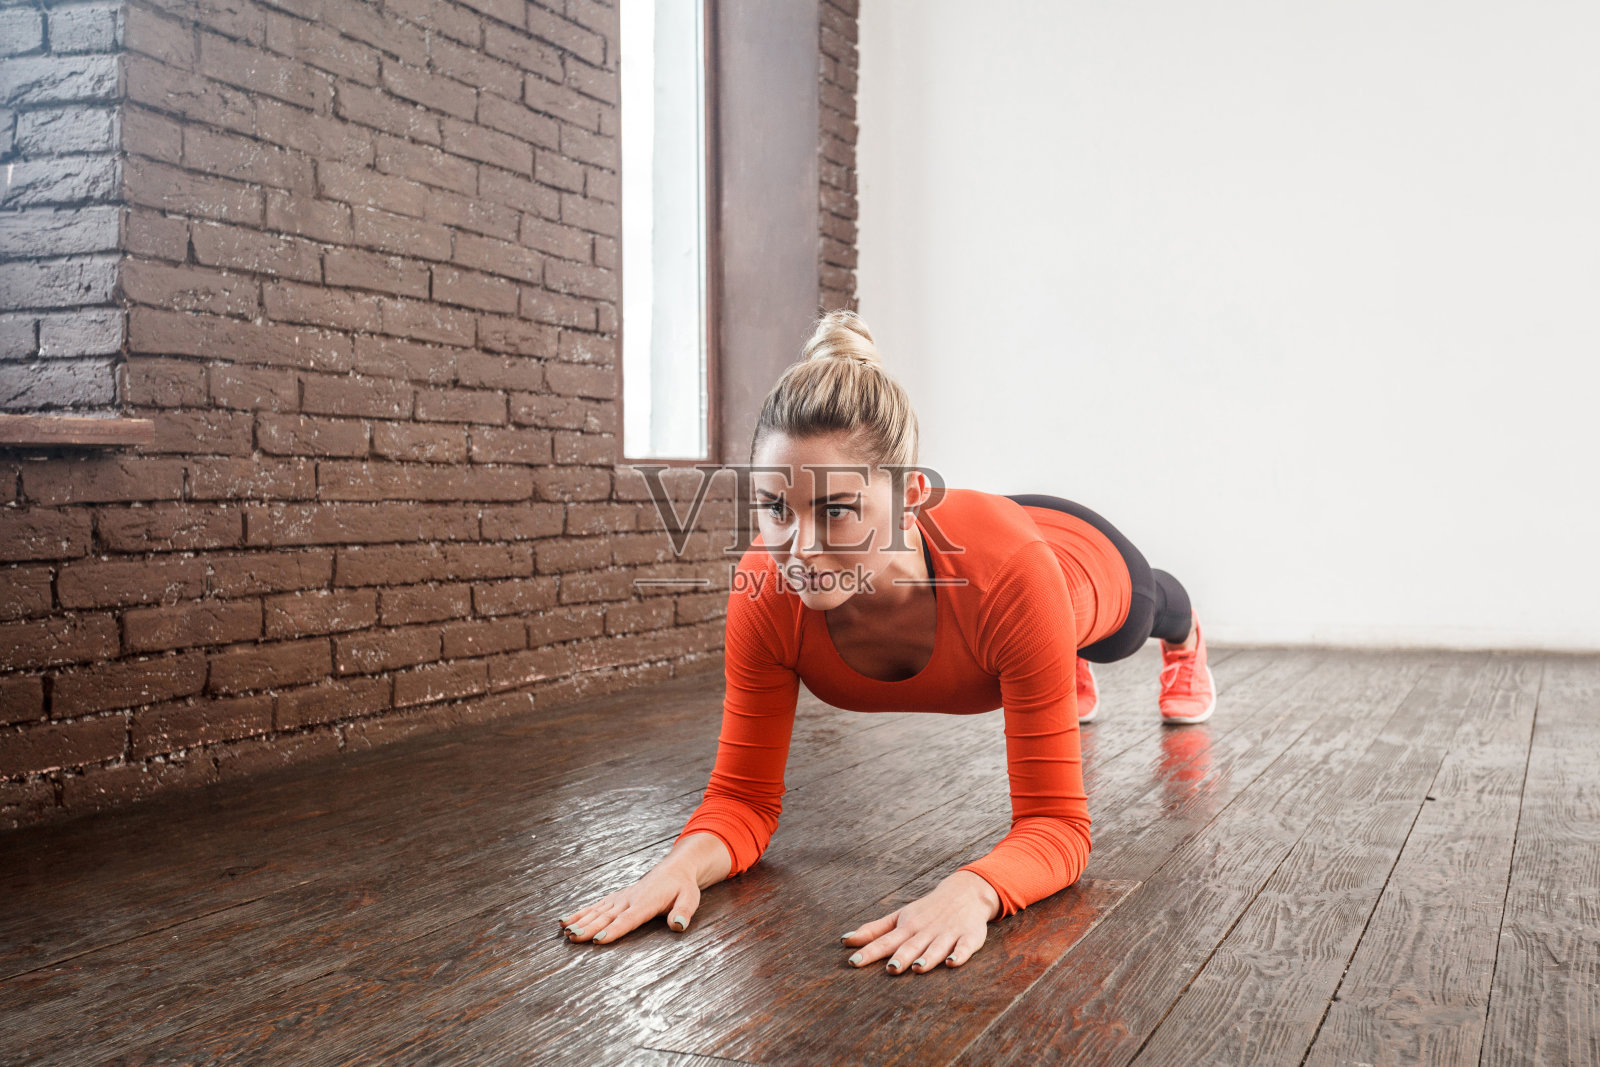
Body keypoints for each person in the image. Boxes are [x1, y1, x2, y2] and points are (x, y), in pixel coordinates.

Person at [558, 310, 1215, 975]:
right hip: (999, 575)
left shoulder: (1014, 579)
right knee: (1039, 649)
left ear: (910, 499)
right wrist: (678, 867)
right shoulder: (767, 586)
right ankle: (1045, 663)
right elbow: (741, 801)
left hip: (1069, 558)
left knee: (1135, 625)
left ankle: (1181, 640)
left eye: (836, 510)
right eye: (776, 507)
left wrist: (972, 891)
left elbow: (1058, 826)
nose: (799, 549)